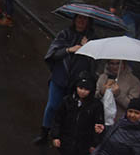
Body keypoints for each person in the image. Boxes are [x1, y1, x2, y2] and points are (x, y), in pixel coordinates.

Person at [36, 14, 96, 144]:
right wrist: (69, 49)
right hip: (60, 78)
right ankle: (44, 133)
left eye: (84, 19)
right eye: (79, 18)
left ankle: (60, 135)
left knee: (69, 109)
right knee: (52, 106)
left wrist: (87, 48)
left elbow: (93, 62)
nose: (81, 21)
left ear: (89, 22)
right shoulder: (64, 34)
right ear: (74, 19)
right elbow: (53, 54)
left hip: (77, 82)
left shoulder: (92, 39)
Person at [48, 73, 104, 155]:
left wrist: (94, 143)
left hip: (82, 144)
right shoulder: (67, 101)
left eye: (86, 89)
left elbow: (99, 126)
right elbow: (58, 119)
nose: (82, 92)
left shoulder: (96, 106)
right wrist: (55, 136)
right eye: (80, 88)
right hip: (66, 141)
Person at [96, 60, 140, 124]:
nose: (115, 67)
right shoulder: (102, 77)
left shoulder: (133, 81)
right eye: (112, 63)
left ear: (124, 64)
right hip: (101, 119)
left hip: (121, 121)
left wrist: (118, 95)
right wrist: (101, 93)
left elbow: (132, 106)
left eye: (118, 64)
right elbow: (93, 97)